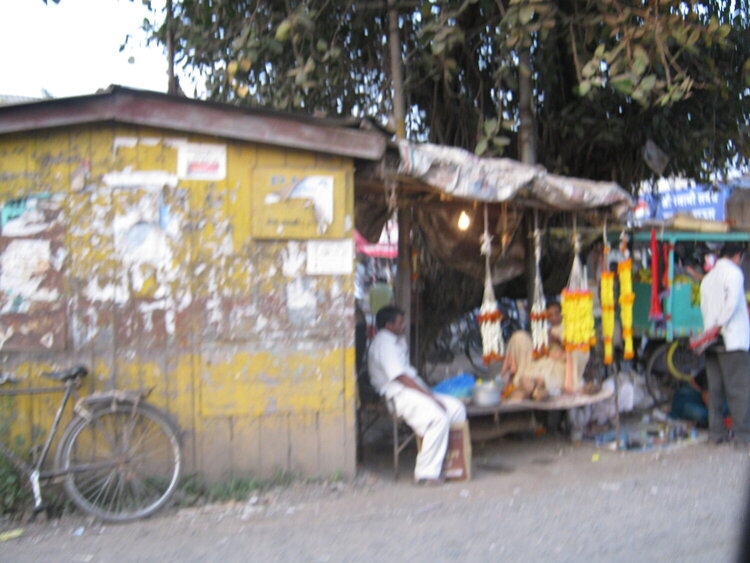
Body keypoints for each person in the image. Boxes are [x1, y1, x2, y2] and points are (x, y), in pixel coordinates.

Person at [367, 305, 466, 485]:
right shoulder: (384, 344)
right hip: (399, 396)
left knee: (456, 409)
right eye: (400, 322)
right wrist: (430, 397)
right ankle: (426, 474)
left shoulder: (395, 340)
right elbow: (401, 378)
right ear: (389, 325)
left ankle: (450, 463)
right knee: (437, 418)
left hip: (413, 392)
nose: (404, 325)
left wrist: (429, 395)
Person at [699, 242, 750, 448]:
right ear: (737, 256)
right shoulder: (734, 273)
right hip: (732, 339)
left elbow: (704, 307)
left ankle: (715, 435)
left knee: (716, 390)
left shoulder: (708, 278)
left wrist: (711, 329)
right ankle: (743, 438)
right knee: (739, 390)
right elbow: (732, 303)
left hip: (711, 341)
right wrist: (720, 325)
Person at [502, 302, 590, 399]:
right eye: (550, 315)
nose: (553, 317)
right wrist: (544, 346)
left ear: (561, 314)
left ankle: (537, 388)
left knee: (547, 379)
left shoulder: (568, 329)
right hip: (545, 361)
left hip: (562, 365)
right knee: (519, 337)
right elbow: (540, 352)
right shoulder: (546, 331)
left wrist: (557, 341)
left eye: (556, 314)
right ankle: (532, 386)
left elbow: (573, 351)